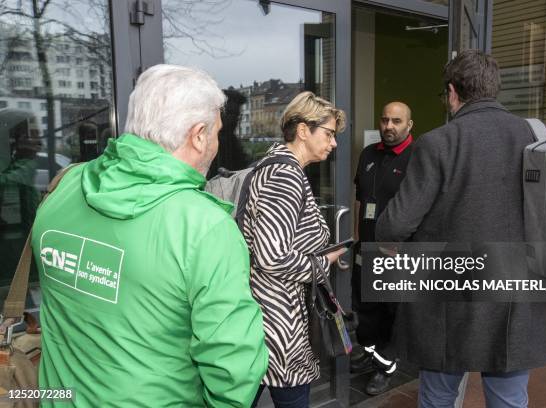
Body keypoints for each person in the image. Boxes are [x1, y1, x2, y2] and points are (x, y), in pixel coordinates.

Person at [32, 64, 268, 407]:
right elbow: (232, 371)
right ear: (198, 135)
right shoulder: (205, 228)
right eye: (217, 132)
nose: (218, 141)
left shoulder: (65, 185)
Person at [376, 50, 546, 408]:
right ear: (494, 89)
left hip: (449, 302)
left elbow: (395, 223)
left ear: (452, 91)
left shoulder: (438, 143)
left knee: (439, 397)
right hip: (519, 295)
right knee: (509, 399)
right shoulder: (541, 138)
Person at [245, 91, 346, 408]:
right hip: (277, 320)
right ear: (303, 130)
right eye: (328, 134)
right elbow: (271, 256)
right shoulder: (285, 176)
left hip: (270, 315)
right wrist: (322, 263)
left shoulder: (277, 168)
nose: (334, 143)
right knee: (290, 396)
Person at [351, 102, 415, 395]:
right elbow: (360, 201)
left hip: (397, 254)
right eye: (385, 120)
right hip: (366, 248)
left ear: (409, 125)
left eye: (396, 121)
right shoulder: (368, 154)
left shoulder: (418, 158)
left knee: (392, 313)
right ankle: (368, 353)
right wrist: (355, 238)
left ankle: (385, 368)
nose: (389, 126)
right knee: (366, 308)